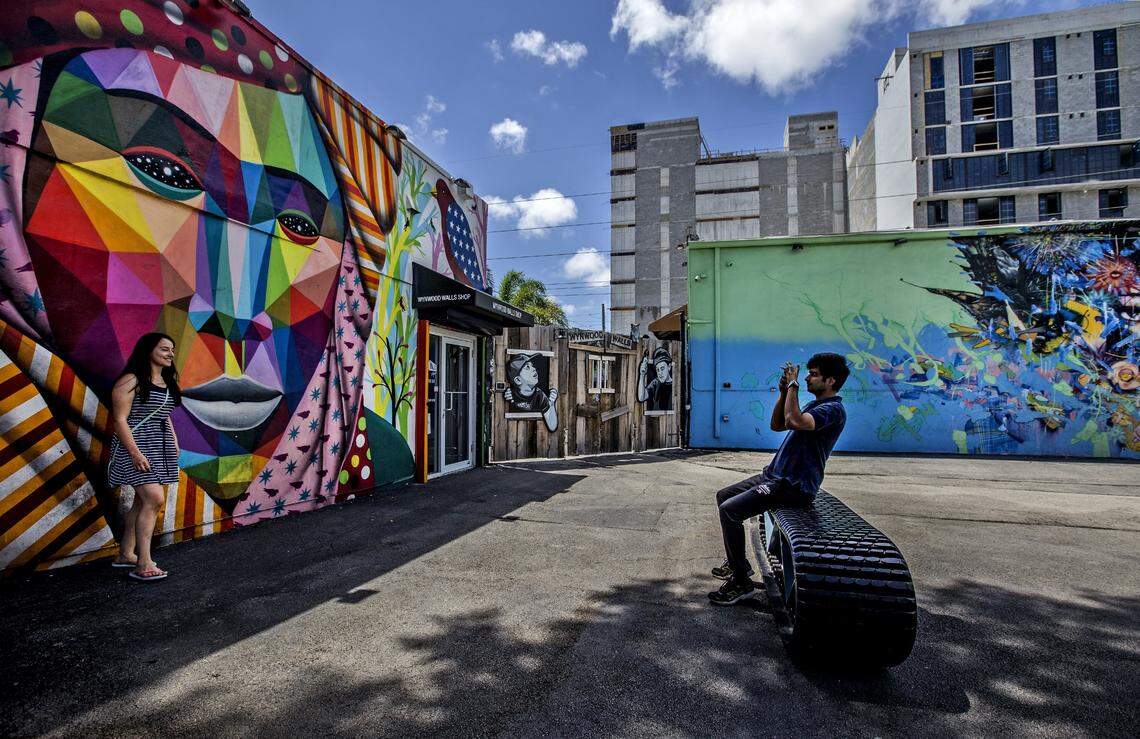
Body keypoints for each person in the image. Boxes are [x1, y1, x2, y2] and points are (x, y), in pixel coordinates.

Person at [708, 352, 849, 605]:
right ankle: (736, 562)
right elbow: (778, 424)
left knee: (730, 511)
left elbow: (794, 421)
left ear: (831, 381)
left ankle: (742, 582)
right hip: (774, 476)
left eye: (814, 374)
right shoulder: (814, 405)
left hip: (792, 486)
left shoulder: (833, 410)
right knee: (724, 496)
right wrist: (784, 392)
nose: (807, 377)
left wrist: (793, 385)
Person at [107, 333, 182, 582]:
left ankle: (125, 554)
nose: (170, 353)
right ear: (148, 350)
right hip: (137, 445)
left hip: (159, 446)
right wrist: (134, 452)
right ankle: (144, 562)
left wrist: (174, 441)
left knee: (141, 502)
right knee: (154, 498)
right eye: (164, 349)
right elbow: (119, 420)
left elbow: (164, 414)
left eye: (172, 349)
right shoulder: (130, 380)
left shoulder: (165, 381)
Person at [504, 353, 559, 432]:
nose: (533, 369)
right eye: (527, 367)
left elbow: (552, 426)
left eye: (532, 365)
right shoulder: (511, 394)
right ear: (518, 380)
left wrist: (552, 404)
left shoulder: (540, 396)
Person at [637, 347, 674, 412]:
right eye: (658, 370)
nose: (660, 373)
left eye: (662, 368)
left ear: (669, 366)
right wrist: (642, 375)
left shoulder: (676, 385)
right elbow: (641, 397)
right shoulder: (655, 383)